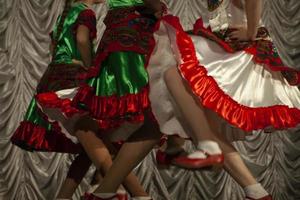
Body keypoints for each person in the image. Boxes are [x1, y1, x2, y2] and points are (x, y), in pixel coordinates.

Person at [161, 0, 300, 199]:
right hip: (224, 43)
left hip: (240, 46)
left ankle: (175, 144)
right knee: (206, 127)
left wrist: (250, 33)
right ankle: (256, 192)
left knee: (175, 75)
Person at [11, 1, 149, 200]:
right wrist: (90, 66)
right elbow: (82, 40)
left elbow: (55, 48)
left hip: (54, 80)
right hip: (72, 83)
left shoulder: (64, 15)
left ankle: (66, 196)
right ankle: (139, 195)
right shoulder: (86, 12)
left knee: (89, 148)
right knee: (101, 148)